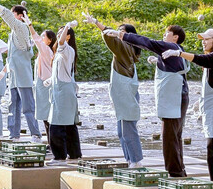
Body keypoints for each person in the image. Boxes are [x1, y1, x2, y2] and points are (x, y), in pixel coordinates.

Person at [113, 25, 190, 178]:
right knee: (175, 135)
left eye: (167, 32)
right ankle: (179, 170)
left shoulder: (170, 46)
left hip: (173, 99)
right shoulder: (176, 49)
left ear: (175, 37)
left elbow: (147, 42)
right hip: (178, 98)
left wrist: (122, 35)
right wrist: (158, 61)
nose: (164, 34)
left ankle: (174, 173)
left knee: (169, 137)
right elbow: (174, 67)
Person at [165, 28, 213, 189]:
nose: (203, 42)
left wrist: (179, 54)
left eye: (206, 39)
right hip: (212, 110)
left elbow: (201, 59)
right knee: (211, 149)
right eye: (202, 39)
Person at [82, 13, 144, 169]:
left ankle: (136, 160)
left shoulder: (125, 48)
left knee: (128, 130)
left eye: (121, 31)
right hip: (122, 96)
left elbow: (111, 38)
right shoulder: (127, 50)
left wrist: (97, 22)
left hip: (126, 97)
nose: (117, 32)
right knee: (121, 132)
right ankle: (130, 159)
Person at [0, 0, 42, 143]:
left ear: (20, 16)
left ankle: (36, 135)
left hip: (23, 77)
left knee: (28, 108)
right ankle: (14, 135)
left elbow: (8, 17)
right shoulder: (13, 34)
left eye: (14, 14)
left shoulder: (22, 28)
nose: (12, 17)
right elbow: (11, 58)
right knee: (13, 108)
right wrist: (3, 72)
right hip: (14, 77)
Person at [45, 21, 81, 166]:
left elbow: (60, 42)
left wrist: (67, 26)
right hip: (61, 90)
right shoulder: (61, 52)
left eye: (63, 33)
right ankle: (74, 154)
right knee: (68, 124)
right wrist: (49, 80)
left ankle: (59, 157)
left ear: (68, 37)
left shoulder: (67, 49)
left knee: (56, 125)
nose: (59, 36)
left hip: (64, 92)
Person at [27, 22, 56, 147]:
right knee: (46, 116)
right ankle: (51, 142)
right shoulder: (44, 51)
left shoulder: (46, 50)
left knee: (48, 116)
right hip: (42, 85)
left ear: (49, 41)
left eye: (44, 36)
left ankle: (53, 143)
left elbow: (36, 39)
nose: (41, 38)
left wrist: (30, 26)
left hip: (46, 86)